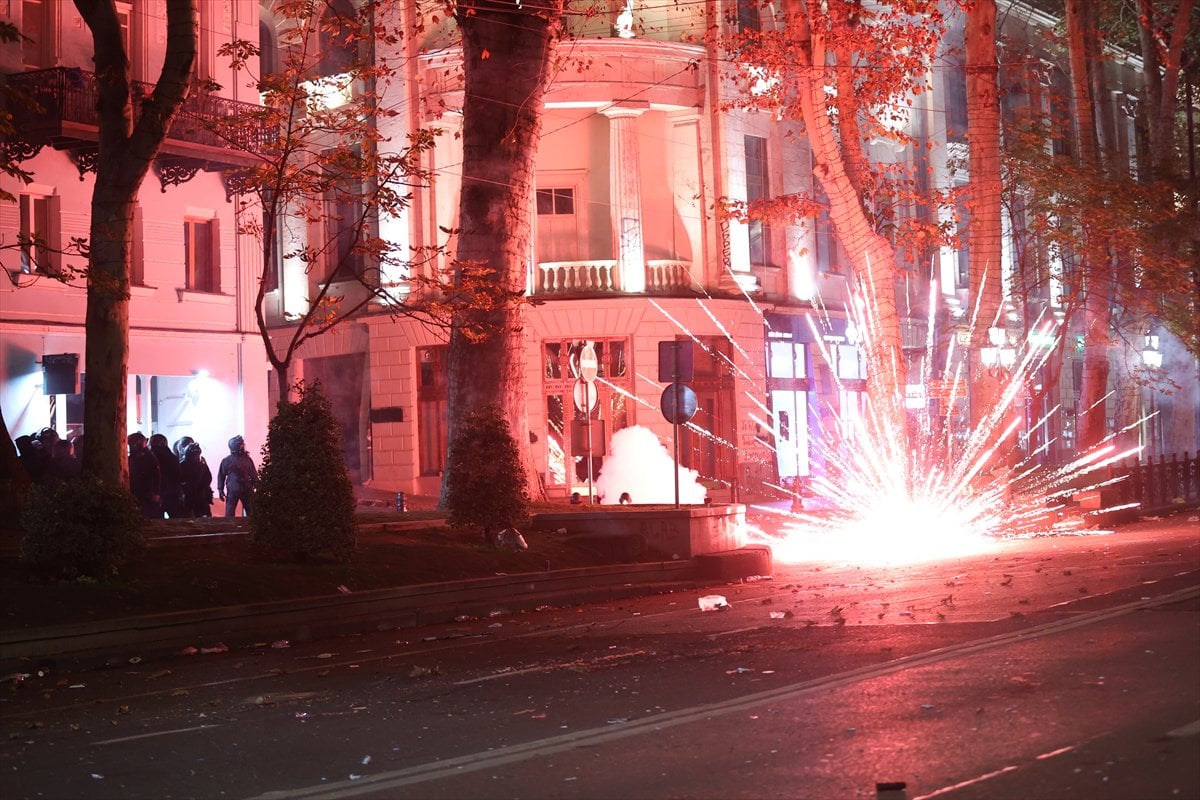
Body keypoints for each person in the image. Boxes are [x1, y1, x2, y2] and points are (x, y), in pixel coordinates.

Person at [217, 435, 258, 517]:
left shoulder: (226, 460)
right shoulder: (247, 459)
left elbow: (221, 476)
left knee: (230, 512)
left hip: (234, 488)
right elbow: (254, 475)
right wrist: (255, 485)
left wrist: (220, 490)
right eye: (242, 445)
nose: (243, 446)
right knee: (251, 512)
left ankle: (229, 528)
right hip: (245, 488)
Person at [149, 433, 184, 518]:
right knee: (176, 519)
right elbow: (178, 475)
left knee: (156, 521)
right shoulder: (172, 457)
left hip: (157, 494)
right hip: (173, 493)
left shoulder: (151, 456)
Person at [127, 432, 161, 518]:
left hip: (145, 493)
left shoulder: (147, 457)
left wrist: (155, 492)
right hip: (141, 492)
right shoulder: (139, 456)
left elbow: (155, 476)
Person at [180, 442, 214, 517]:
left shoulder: (201, 464)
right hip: (190, 495)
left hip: (198, 495)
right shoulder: (184, 465)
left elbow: (208, 478)